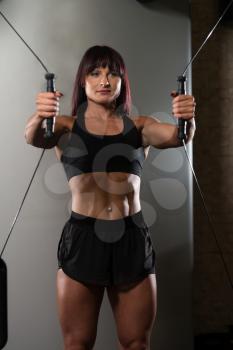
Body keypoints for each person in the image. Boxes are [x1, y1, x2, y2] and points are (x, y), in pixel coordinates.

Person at [24, 45, 196, 350]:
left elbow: (177, 136)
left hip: (131, 237)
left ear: (122, 81)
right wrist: (40, 115)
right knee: (77, 344)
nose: (105, 80)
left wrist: (187, 119)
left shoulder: (140, 127)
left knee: (136, 344)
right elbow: (34, 137)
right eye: (95, 72)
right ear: (82, 80)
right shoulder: (64, 125)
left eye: (112, 72)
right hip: (83, 238)